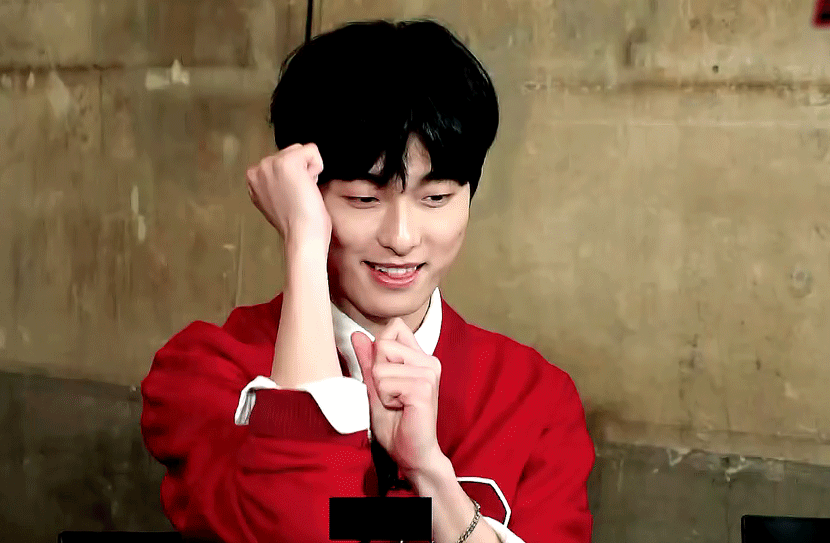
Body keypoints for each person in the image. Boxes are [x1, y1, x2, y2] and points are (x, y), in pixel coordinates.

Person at [140, 19, 594, 543]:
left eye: (436, 198)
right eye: (363, 199)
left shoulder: (534, 397)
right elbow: (302, 531)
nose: (401, 238)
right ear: (304, 195)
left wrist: (431, 474)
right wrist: (304, 246)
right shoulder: (205, 373)